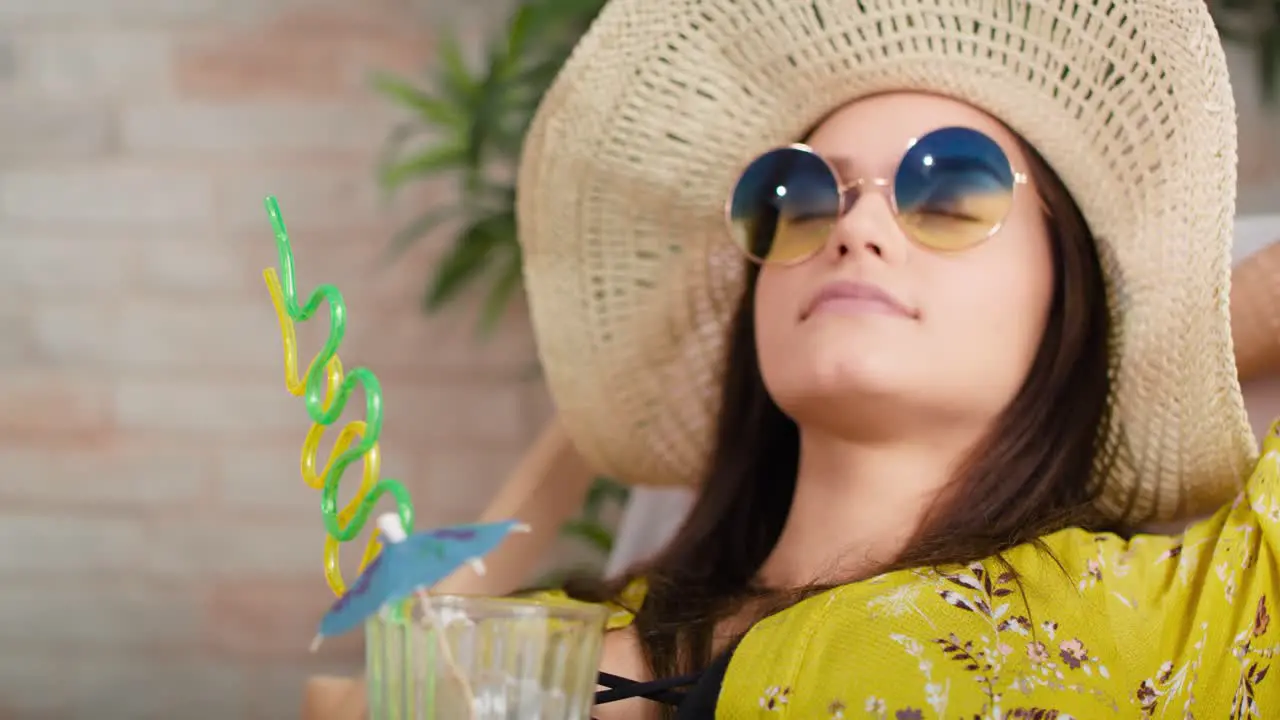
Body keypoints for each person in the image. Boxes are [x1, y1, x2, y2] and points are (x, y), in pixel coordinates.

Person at [512, 0, 1280, 716]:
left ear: (1063, 289)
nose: (856, 229)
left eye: (949, 191)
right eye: (798, 197)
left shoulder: (1185, 622)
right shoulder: (517, 647)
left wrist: (1177, 340)